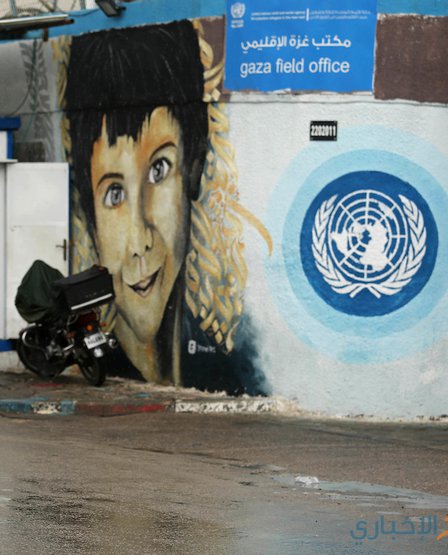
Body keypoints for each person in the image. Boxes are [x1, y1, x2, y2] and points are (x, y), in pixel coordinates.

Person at [63, 20, 271, 395]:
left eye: (159, 170)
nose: (140, 240)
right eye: (113, 193)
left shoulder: (237, 370)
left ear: (193, 166)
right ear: (90, 214)